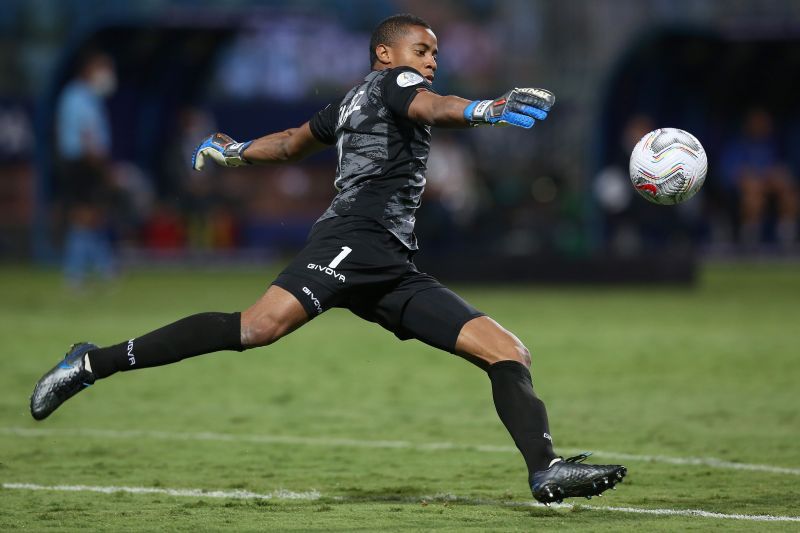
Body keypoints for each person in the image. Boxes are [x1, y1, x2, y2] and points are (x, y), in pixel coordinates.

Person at [30, 14, 625, 505]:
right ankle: (90, 364)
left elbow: (291, 142)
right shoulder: (396, 85)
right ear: (384, 54)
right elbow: (433, 106)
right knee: (256, 328)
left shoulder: (350, 102)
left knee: (508, 351)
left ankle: (544, 469)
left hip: (390, 264)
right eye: (422, 50)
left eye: (435, 52)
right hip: (353, 237)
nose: (431, 60)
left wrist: (235, 150)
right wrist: (486, 108)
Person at [54, 51, 118, 287]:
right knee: (83, 217)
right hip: (82, 163)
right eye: (105, 68)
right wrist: (104, 168)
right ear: (90, 70)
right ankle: (76, 274)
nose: (109, 75)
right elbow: (87, 137)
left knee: (95, 217)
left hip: (87, 162)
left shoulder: (89, 97)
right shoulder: (76, 97)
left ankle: (102, 268)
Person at [721, 108, 798, 249]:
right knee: (753, 197)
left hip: (770, 190)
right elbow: (729, 175)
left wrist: (775, 177)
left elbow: (784, 171)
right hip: (742, 195)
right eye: (758, 121)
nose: (762, 124)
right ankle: (750, 242)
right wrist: (749, 180)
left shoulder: (775, 145)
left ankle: (787, 240)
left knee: (790, 194)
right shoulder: (738, 145)